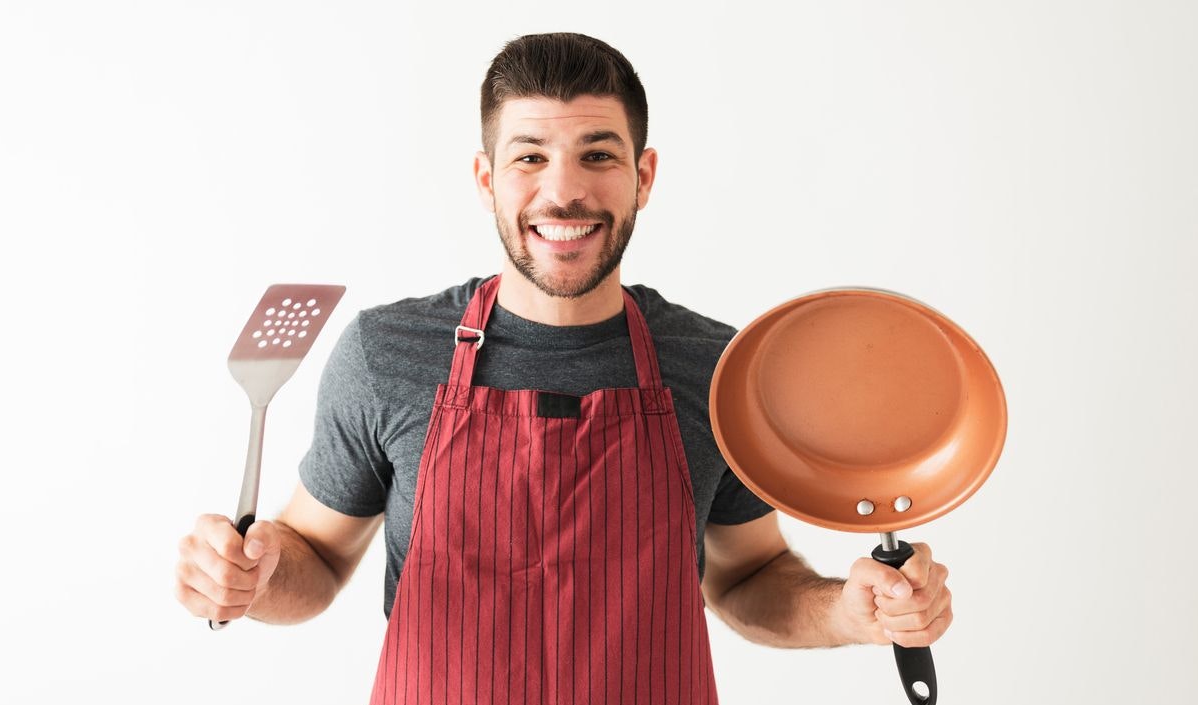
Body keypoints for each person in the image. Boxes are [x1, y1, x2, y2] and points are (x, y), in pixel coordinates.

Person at [174, 32, 953, 704]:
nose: (563, 190)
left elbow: (748, 578)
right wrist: (253, 573)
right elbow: (315, 554)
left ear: (643, 175)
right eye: (529, 156)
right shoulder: (388, 352)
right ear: (486, 179)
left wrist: (847, 613)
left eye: (597, 154)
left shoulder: (715, 367)